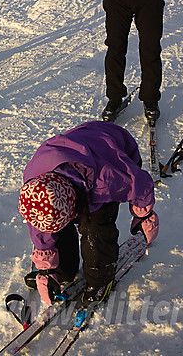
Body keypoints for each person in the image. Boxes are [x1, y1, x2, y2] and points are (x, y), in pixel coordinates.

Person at [18, 121, 158, 307]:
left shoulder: (107, 181)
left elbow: (140, 184)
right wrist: (46, 269)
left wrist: (144, 214)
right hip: (70, 153)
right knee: (56, 224)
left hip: (115, 150)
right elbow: (41, 230)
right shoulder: (35, 191)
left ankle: (101, 279)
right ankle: (63, 270)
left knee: (96, 227)